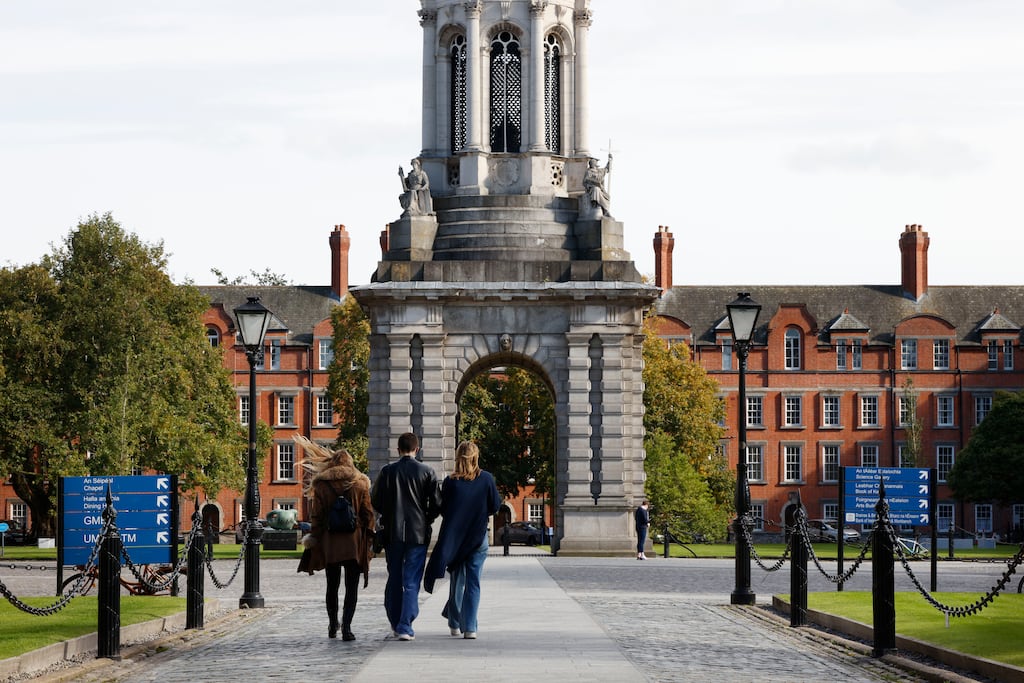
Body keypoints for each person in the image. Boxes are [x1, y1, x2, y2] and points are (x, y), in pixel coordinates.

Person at [295, 435, 374, 641]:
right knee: (352, 586)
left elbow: (317, 517)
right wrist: (370, 536)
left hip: (330, 542)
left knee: (332, 585)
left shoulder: (322, 486)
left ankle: (332, 624)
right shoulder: (360, 484)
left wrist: (314, 538)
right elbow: (368, 515)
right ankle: (347, 627)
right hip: (353, 542)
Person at [423, 441, 501, 639]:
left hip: (456, 538)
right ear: (476, 457)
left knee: (457, 580)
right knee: (474, 583)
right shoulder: (487, 479)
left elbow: (444, 508)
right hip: (477, 537)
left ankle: (454, 623)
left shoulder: (450, 482)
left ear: (458, 457)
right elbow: (495, 505)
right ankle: (470, 628)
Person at [370, 432, 441, 641]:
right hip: (417, 533)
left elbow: (376, 500)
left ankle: (395, 621)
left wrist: (389, 513)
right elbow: (437, 503)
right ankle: (405, 624)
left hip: (392, 532)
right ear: (417, 449)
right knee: (411, 580)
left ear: (398, 449)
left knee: (394, 577)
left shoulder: (387, 472)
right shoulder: (427, 471)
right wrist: (426, 518)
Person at [581, 154, 613, 219]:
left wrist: (610, 160)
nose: (593, 164)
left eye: (593, 163)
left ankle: (605, 210)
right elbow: (584, 182)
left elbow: (607, 169)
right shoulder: (588, 172)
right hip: (592, 188)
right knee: (596, 189)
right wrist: (589, 185)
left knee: (606, 195)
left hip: (601, 189)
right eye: (592, 163)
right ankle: (600, 208)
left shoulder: (599, 171)